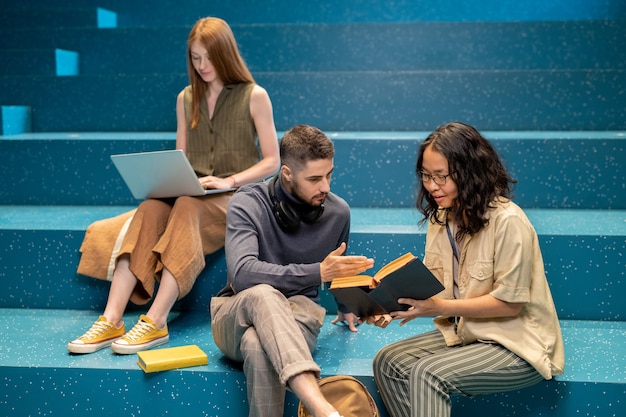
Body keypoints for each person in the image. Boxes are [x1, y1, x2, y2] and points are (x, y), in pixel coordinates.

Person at [68, 17, 280, 355]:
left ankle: (156, 320)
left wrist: (229, 180)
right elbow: (179, 156)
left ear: (225, 54)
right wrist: (166, 180)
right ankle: (112, 319)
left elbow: (273, 161)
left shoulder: (254, 96)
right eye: (195, 58)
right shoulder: (186, 98)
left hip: (235, 194)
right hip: (194, 189)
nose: (202, 65)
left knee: (186, 207)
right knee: (150, 208)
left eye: (209, 57)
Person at [369, 122, 565, 417]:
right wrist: (387, 302)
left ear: (470, 173)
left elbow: (510, 305)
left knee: (428, 373)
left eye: (441, 177)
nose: (432, 186)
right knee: (387, 361)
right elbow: (433, 286)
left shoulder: (509, 221)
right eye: (426, 176)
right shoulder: (440, 219)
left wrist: (439, 306)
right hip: (467, 331)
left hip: (517, 344)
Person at [210, 124, 374, 417]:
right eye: (314, 178)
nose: (325, 186)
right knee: (262, 293)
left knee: (257, 346)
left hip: (297, 317)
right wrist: (318, 273)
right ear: (286, 173)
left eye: (329, 175)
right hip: (235, 315)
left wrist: (346, 304)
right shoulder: (247, 203)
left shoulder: (339, 213)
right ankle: (321, 407)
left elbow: (336, 269)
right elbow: (243, 274)